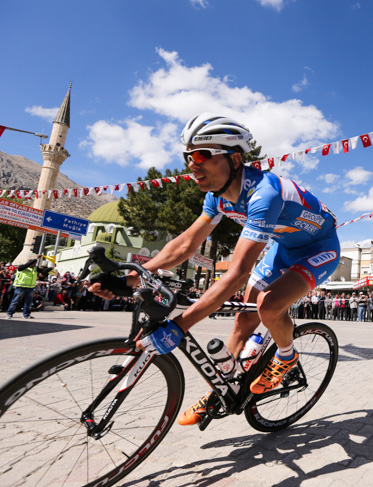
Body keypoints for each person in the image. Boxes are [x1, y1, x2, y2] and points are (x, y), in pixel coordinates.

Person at [89, 113, 340, 426]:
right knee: (243, 319)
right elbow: (184, 246)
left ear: (234, 159)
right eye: (188, 157)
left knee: (269, 305)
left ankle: (286, 357)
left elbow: (237, 273)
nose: (192, 164)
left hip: (319, 248)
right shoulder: (217, 198)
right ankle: (221, 391)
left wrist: (181, 325)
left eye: (201, 155)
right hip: (283, 247)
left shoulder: (265, 194)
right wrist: (128, 278)